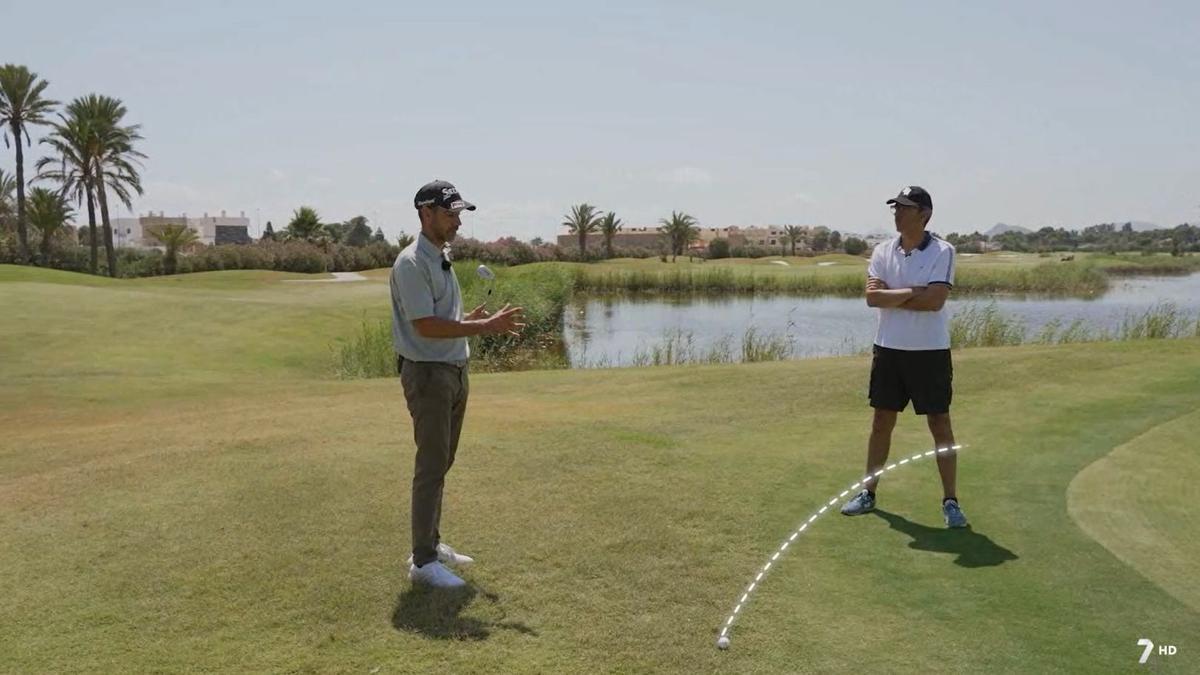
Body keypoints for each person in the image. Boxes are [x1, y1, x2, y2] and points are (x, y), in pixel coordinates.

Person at [390, 179, 526, 587]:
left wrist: (470, 319)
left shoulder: (440, 256)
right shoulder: (411, 262)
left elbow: (442, 316)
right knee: (431, 466)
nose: (457, 223)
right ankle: (423, 562)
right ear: (425, 213)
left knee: (442, 462)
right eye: (450, 215)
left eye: (459, 215)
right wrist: (483, 326)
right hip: (429, 374)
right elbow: (425, 326)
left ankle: (430, 542)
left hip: (453, 371)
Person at [839, 186, 967, 528]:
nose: (897, 213)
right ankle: (868, 493)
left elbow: (935, 302)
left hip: (930, 352)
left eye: (905, 208)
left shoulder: (943, 251)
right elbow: (873, 299)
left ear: (924, 214)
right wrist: (914, 292)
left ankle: (951, 501)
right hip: (889, 349)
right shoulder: (883, 250)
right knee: (881, 421)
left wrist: (895, 296)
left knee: (939, 424)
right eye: (895, 207)